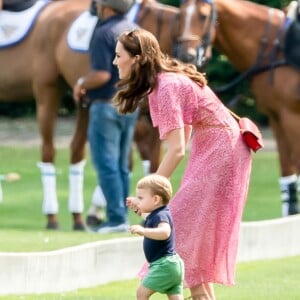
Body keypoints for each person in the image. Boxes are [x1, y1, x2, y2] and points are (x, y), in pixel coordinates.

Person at [112, 28, 253, 300]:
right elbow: (184, 134)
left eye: (119, 56)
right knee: (190, 235)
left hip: (220, 149)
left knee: (185, 235)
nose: (115, 62)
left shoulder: (164, 88)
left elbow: (176, 150)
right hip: (218, 145)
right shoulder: (164, 82)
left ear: (138, 58)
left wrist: (147, 196)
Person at [73, 0, 139, 233]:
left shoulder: (103, 32)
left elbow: (101, 74)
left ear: (107, 7)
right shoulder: (134, 29)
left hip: (106, 104)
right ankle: (121, 215)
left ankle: (116, 218)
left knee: (106, 164)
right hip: (130, 103)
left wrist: (81, 83)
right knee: (121, 165)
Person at [128, 174, 184, 300]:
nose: (139, 201)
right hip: (173, 264)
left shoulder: (160, 216)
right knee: (175, 297)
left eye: (141, 198)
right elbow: (148, 219)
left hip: (164, 264)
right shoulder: (158, 213)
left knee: (141, 293)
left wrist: (143, 231)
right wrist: (137, 207)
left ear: (155, 199)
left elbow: (165, 232)